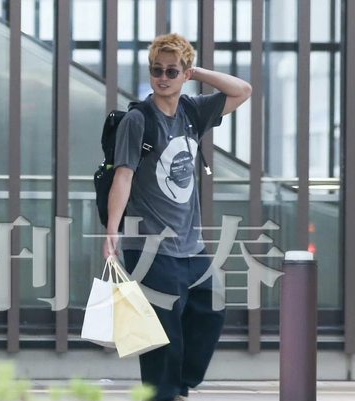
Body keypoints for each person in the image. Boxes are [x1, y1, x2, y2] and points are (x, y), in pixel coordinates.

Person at [102, 33, 252, 401]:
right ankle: (164, 393)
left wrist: (197, 71)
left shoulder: (192, 111)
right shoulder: (137, 120)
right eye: (157, 70)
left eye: (172, 71)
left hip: (191, 244)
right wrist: (112, 231)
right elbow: (123, 177)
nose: (163, 77)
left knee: (211, 308)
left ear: (184, 74)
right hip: (150, 244)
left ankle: (179, 385)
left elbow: (243, 90)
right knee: (162, 330)